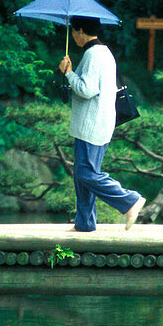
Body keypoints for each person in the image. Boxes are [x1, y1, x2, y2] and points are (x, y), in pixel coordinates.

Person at [58, 16, 145, 232]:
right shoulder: (103, 52)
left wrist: (68, 73)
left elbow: (87, 90)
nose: (73, 36)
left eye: (73, 31)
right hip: (98, 122)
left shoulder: (93, 55)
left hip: (91, 124)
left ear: (79, 31)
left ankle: (130, 201)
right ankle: (85, 223)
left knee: (85, 173)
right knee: (84, 174)